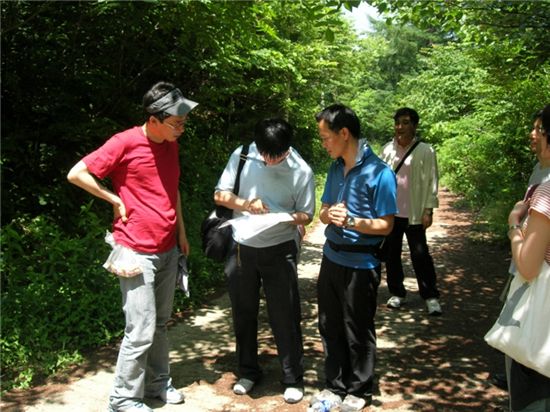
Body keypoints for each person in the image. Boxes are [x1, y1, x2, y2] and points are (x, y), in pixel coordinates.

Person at [67, 82, 197, 412]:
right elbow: (77, 173)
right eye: (176, 122)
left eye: (183, 122)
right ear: (154, 119)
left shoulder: (170, 144)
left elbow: (173, 190)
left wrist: (182, 232)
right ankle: (124, 398)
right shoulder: (125, 142)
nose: (181, 129)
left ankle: (157, 385)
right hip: (135, 248)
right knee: (139, 329)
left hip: (168, 247)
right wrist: (113, 198)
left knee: (159, 324)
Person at [213, 118, 315, 404]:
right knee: (243, 312)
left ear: (287, 147)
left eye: (277, 155)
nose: (271, 161)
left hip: (280, 248)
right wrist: (246, 204)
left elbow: (307, 213)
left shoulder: (301, 170)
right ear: (258, 146)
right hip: (241, 246)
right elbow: (220, 195)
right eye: (266, 154)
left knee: (285, 314)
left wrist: (284, 217)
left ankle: (292, 377)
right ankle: (247, 371)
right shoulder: (243, 155)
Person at [313, 104, 397, 411]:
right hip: (331, 257)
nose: (323, 143)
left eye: (325, 137)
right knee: (329, 324)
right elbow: (322, 214)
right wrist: (330, 215)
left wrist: (351, 222)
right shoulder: (335, 168)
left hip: (361, 264)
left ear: (344, 133)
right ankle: (335, 385)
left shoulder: (380, 173)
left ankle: (360, 390)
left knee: (358, 328)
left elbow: (386, 225)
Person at [492, 109, 550, 390]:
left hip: (540, 302)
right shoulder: (539, 174)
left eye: (540, 129)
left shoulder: (547, 191)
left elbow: (528, 266)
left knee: (532, 386)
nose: (533, 134)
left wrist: (514, 224)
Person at [380, 107, 442, 315]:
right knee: (392, 255)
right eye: (398, 123)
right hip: (391, 213)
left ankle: (430, 296)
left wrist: (429, 210)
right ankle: (397, 293)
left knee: (420, 255)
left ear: (414, 126)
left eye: (406, 123)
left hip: (414, 212)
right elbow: (380, 181)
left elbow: (432, 181)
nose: (400, 127)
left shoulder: (426, 150)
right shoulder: (387, 150)